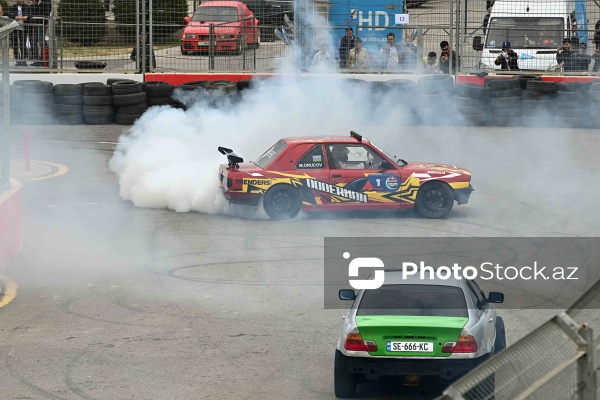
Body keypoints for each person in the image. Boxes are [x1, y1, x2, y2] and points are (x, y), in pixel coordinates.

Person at [8, 0, 30, 66]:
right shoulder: (12, 7)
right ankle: (17, 60)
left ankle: (23, 60)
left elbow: (30, 13)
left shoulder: (27, 7)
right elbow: (9, 14)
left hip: (23, 28)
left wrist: (26, 16)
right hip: (14, 28)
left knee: (23, 44)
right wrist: (15, 17)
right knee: (15, 45)